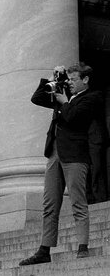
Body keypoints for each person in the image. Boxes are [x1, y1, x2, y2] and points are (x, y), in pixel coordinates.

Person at [20, 62, 104, 265]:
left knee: (78, 202)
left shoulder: (93, 97)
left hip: (75, 156)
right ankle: (44, 250)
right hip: (54, 154)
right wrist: (52, 79)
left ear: (85, 80)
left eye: (74, 80)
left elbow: (74, 118)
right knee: (49, 203)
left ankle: (83, 246)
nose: (71, 83)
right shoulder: (63, 95)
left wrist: (64, 101)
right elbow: (37, 98)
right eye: (69, 79)